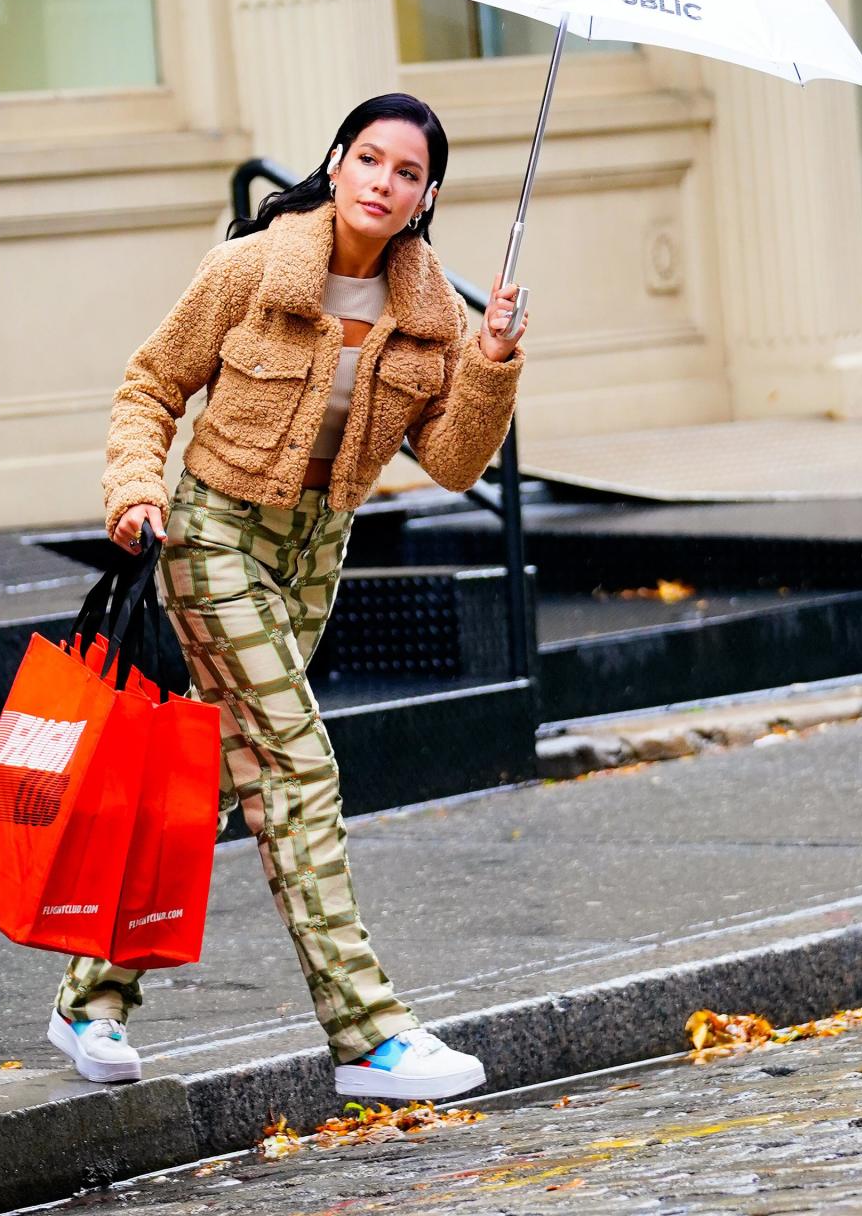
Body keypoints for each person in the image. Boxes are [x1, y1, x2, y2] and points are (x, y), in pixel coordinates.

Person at [47, 92, 527, 1101]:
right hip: (214, 533)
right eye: (367, 158)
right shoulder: (255, 268)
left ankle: (90, 997)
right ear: (338, 161)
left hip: (312, 557)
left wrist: (490, 367)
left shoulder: (432, 318)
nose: (380, 181)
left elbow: (447, 461)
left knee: (228, 781)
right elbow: (150, 386)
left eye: (405, 172)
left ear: (425, 196)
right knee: (300, 763)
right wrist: (135, 489)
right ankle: (368, 1033)